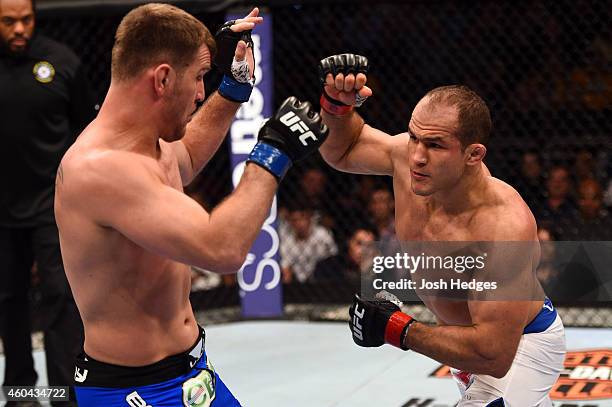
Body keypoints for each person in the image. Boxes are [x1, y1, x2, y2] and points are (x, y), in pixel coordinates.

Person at [54, 4, 328, 406]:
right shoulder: (101, 169)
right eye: (199, 78)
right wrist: (273, 152)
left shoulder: (148, 142)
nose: (202, 92)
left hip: (192, 373)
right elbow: (223, 250)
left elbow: (185, 157)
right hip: (135, 391)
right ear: (162, 78)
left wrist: (233, 88)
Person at [318, 54, 566, 406]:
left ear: (473, 154)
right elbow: (344, 149)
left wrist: (397, 328)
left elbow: (494, 354)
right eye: (414, 138)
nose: (417, 156)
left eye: (434, 145)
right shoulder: (409, 159)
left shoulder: (502, 227)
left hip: (519, 345)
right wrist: (337, 107)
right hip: (463, 344)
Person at [0, 0, 94, 403]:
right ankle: (19, 387)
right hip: (1, 210)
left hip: (53, 206)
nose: (19, 28)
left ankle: (63, 391)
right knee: (8, 298)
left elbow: (86, 131)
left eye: (26, 20)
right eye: (8, 21)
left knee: (60, 296)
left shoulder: (62, 62)